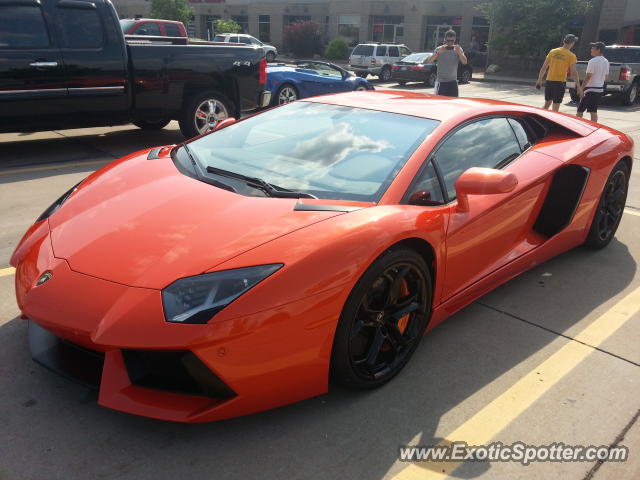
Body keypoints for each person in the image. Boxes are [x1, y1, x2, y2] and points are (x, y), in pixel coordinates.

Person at [535, 34, 582, 111]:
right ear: (572, 43)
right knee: (556, 106)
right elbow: (574, 72)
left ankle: (538, 117)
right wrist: (578, 86)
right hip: (560, 82)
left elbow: (544, 67)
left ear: (564, 41)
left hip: (549, 81)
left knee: (547, 103)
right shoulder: (571, 55)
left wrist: (539, 79)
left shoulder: (553, 51)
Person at [427, 29, 468, 97]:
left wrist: (459, 53)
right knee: (439, 104)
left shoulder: (458, 49)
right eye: (448, 41)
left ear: (455, 39)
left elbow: (465, 62)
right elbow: (429, 61)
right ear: (445, 39)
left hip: (453, 82)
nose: (450, 43)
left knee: (453, 104)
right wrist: (438, 53)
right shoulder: (439, 49)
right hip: (441, 82)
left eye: (452, 41)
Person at [576, 41, 609, 123]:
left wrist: (581, 88)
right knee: (593, 111)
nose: (591, 49)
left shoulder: (592, 61)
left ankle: (577, 127)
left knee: (580, 111)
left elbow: (588, 76)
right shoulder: (606, 61)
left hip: (590, 90)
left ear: (598, 50)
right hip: (599, 89)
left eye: (593, 48)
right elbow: (606, 76)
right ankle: (594, 128)